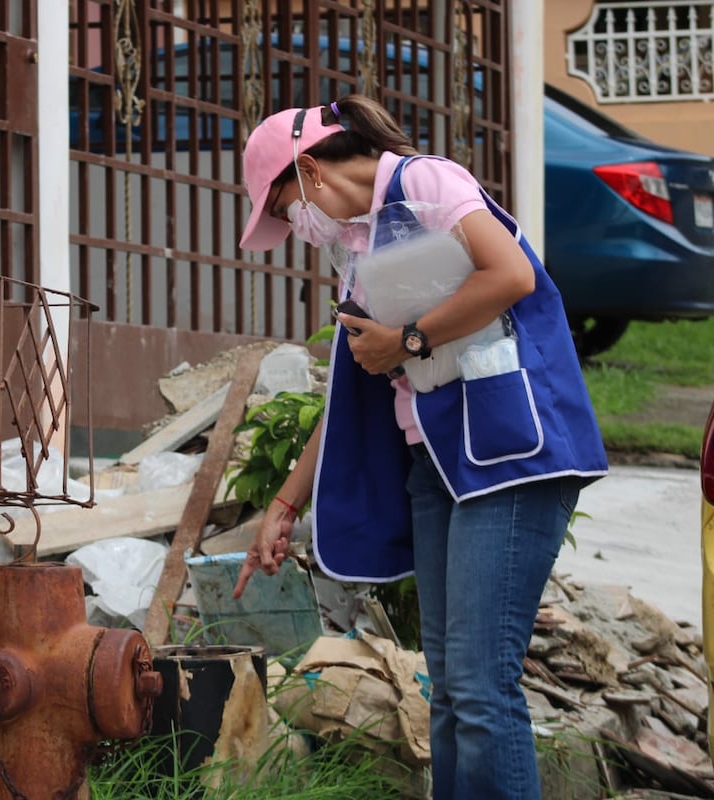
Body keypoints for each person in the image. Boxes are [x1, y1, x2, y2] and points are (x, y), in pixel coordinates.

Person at [230, 96, 608, 800]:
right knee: (450, 686)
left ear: (309, 170)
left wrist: (407, 339)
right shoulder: (359, 247)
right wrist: (283, 504)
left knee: (481, 684)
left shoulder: (426, 183)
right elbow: (351, 393)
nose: (296, 226)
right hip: (437, 466)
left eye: (285, 208)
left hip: (510, 457)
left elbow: (511, 275)